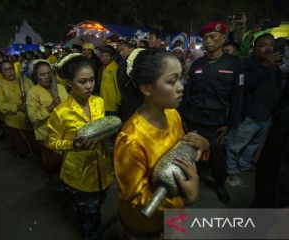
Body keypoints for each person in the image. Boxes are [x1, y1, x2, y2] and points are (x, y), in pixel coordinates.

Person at [114, 48, 209, 239]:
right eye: (171, 81)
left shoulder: (173, 114)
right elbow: (136, 200)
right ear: (147, 88)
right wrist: (185, 198)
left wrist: (202, 146)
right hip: (148, 225)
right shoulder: (131, 140)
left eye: (181, 78)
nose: (181, 86)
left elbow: (181, 156)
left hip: (174, 218)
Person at [46, 54, 113, 240]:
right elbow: (51, 141)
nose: (89, 86)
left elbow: (103, 127)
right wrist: (73, 144)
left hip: (102, 168)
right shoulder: (60, 113)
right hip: (79, 176)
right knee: (87, 215)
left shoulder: (98, 102)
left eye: (92, 80)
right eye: (82, 81)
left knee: (98, 206)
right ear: (69, 84)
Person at [181, 21, 244, 204]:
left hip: (217, 125)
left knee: (218, 160)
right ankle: (192, 182)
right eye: (205, 38)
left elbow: (237, 97)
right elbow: (188, 93)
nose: (208, 41)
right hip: (194, 121)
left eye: (212, 37)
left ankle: (219, 184)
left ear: (224, 39)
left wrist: (229, 125)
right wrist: (184, 118)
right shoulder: (197, 64)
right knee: (191, 156)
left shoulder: (234, 64)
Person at [226, 33, 281, 186]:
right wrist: (263, 67)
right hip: (249, 116)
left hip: (266, 116)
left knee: (253, 146)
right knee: (235, 146)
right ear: (254, 48)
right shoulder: (247, 65)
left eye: (271, 45)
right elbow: (245, 87)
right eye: (263, 46)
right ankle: (231, 173)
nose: (268, 49)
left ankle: (243, 165)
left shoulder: (274, 66)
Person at [26, 60, 69, 174]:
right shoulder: (33, 93)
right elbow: (33, 117)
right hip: (47, 136)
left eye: (49, 73)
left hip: (66, 133)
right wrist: (51, 107)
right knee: (54, 165)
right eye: (42, 74)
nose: (47, 77)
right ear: (36, 77)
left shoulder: (60, 87)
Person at [0, 60, 36, 158]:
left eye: (11, 68)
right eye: (6, 70)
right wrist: (17, 107)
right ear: (1, 72)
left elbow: (36, 93)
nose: (10, 72)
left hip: (33, 119)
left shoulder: (25, 81)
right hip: (14, 123)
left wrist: (30, 98)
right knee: (25, 150)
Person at [98, 46, 120, 115]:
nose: (104, 58)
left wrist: (119, 101)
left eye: (106, 56)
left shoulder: (115, 68)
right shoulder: (103, 68)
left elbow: (117, 85)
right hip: (104, 100)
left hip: (112, 102)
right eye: (102, 56)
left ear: (112, 57)